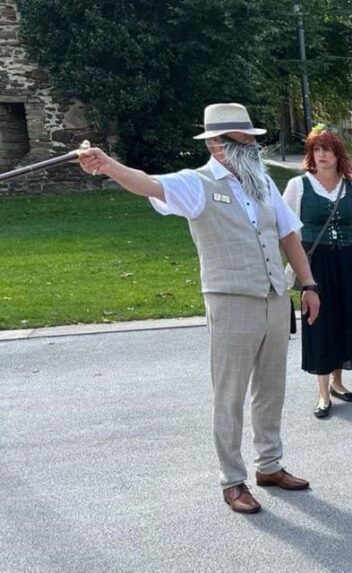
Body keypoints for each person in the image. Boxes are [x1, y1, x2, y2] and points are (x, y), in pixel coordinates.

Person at [77, 103, 320, 514]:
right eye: (244, 141)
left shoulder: (261, 182)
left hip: (275, 299)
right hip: (230, 301)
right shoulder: (197, 183)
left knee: (271, 388)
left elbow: (288, 235)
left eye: (252, 140)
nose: (253, 148)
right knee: (230, 395)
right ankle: (233, 480)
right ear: (217, 145)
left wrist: (308, 284)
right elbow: (148, 184)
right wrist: (108, 165)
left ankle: (270, 465)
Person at [282, 126, 352, 419]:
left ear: (338, 154)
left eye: (326, 149)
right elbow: (287, 229)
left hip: (347, 260)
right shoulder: (299, 186)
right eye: (316, 149)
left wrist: (347, 255)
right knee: (320, 323)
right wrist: (299, 268)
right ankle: (322, 392)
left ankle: (338, 382)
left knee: (345, 319)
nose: (321, 154)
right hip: (316, 263)